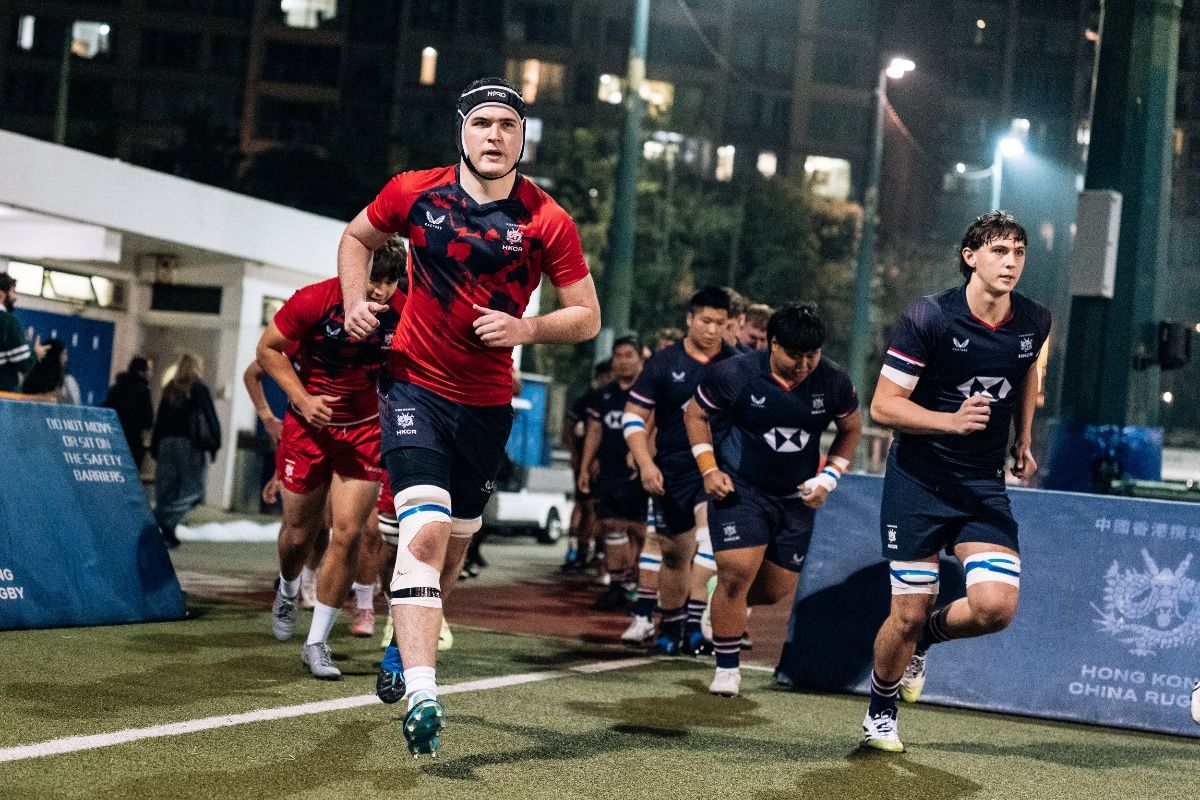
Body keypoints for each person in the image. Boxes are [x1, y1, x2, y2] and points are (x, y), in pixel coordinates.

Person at [337, 76, 600, 756]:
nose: (494, 136)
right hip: (413, 388)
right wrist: (357, 300)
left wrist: (526, 330)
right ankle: (424, 694)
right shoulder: (414, 191)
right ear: (462, 130)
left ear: (522, 137)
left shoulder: (547, 219)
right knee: (421, 534)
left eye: (507, 126)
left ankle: (406, 641)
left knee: (452, 545)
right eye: (483, 123)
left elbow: (586, 318)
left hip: (485, 406)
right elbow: (356, 237)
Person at [860, 211, 1050, 752]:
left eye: (1018, 251)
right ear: (970, 257)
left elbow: (1027, 367)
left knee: (995, 608)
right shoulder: (929, 317)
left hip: (980, 482)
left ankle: (928, 641)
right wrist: (949, 420)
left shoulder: (1034, 318)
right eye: (998, 251)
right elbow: (883, 406)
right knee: (907, 611)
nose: (1010, 261)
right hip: (917, 480)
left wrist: (1023, 437)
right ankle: (880, 712)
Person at [684, 305, 861, 696]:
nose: (803, 364)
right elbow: (696, 416)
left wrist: (829, 477)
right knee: (736, 569)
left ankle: (731, 600)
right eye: (794, 355)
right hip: (742, 488)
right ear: (773, 344)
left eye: (811, 355)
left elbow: (851, 427)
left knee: (773, 589)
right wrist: (709, 469)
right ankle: (727, 668)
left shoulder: (832, 382)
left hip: (796, 497)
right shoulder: (735, 374)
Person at [259, 239, 406, 679]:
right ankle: (287, 589)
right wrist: (301, 400)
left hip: (364, 429)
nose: (380, 291)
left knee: (349, 534)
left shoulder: (404, 309)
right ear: (352, 272)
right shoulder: (314, 301)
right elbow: (267, 352)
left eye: (389, 281)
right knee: (299, 534)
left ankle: (316, 641)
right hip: (309, 428)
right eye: (373, 280)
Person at [624, 287, 737, 656]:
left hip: (718, 470)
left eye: (720, 323)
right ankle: (671, 627)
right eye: (705, 321)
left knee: (708, 544)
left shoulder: (737, 365)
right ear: (689, 319)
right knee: (675, 555)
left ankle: (697, 624)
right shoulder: (662, 363)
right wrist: (645, 462)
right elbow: (634, 417)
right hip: (671, 469)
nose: (712, 330)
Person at [578, 336, 646, 613]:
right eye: (618, 355)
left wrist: (645, 461)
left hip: (640, 472)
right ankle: (619, 586)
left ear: (641, 359)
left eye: (629, 355)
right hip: (609, 470)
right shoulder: (604, 394)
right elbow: (594, 431)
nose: (623, 360)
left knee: (643, 533)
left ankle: (643, 591)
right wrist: (585, 465)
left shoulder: (648, 392)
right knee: (611, 528)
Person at [150, 354, 221, 548]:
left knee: (167, 491)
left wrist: (155, 446)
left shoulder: (169, 389)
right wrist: (215, 443)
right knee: (194, 491)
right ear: (195, 367)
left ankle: (167, 534)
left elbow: (160, 419)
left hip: (165, 444)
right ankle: (162, 519)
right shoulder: (198, 389)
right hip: (189, 446)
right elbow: (209, 418)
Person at [562, 358, 612, 572]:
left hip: (610, 463)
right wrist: (578, 456)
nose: (607, 379)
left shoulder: (625, 394)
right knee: (586, 506)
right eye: (604, 376)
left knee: (599, 509)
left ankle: (597, 552)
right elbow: (570, 424)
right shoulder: (591, 398)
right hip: (587, 462)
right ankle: (579, 550)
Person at [103, 357, 155, 472]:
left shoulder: (117, 387)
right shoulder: (143, 390)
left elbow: (106, 409)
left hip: (114, 438)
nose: (150, 374)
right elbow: (148, 419)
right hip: (134, 441)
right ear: (142, 372)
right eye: (149, 370)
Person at [0, 274, 47, 393]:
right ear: (1, 294)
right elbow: (23, 364)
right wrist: (36, 353)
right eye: (12, 292)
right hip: (4, 395)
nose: (15, 297)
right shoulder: (8, 322)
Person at [22, 338, 81, 404]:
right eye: (64, 354)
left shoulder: (28, 376)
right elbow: (76, 409)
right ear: (56, 356)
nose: (66, 358)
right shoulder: (67, 382)